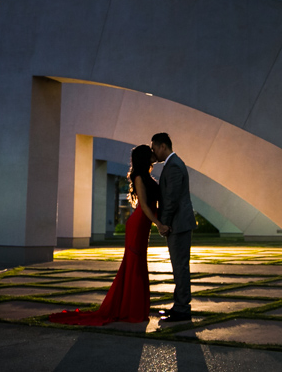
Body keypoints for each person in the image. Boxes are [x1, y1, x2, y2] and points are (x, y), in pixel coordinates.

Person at [49, 145, 162, 325]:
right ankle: (131, 310)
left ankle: (134, 308)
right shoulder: (140, 177)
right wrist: (159, 224)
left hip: (143, 224)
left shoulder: (147, 177)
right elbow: (145, 206)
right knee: (134, 266)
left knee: (138, 265)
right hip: (138, 224)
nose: (152, 154)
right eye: (149, 152)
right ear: (144, 157)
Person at [152, 132, 195, 323]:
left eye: (154, 148)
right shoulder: (173, 164)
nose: (154, 153)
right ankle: (179, 306)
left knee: (180, 267)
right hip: (178, 224)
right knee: (178, 267)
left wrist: (165, 223)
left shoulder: (174, 166)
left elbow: (172, 198)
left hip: (178, 224)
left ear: (163, 146)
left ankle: (183, 309)